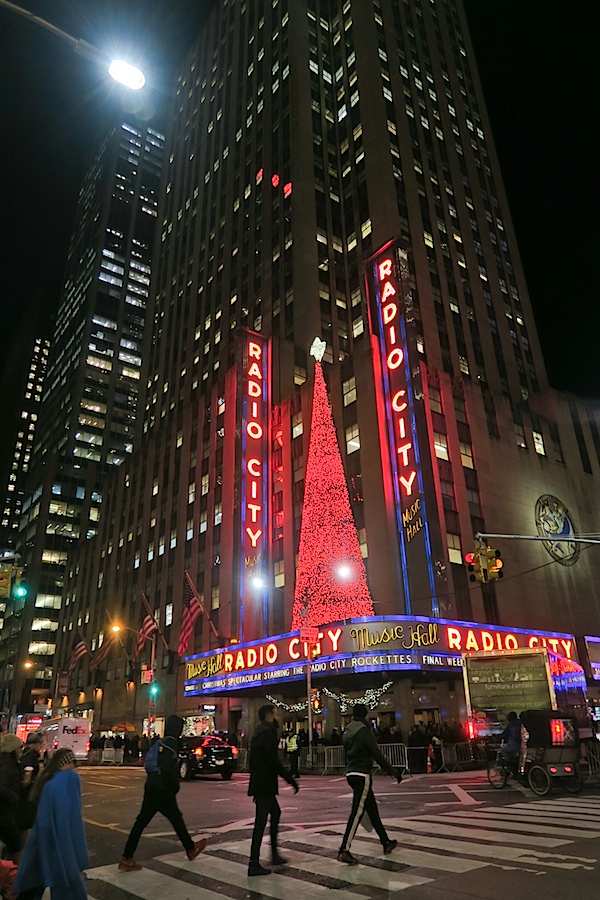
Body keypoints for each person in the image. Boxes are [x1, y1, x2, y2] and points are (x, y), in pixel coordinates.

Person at [119, 715, 206, 872]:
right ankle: (190, 848)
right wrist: (174, 786)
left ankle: (127, 857)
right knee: (174, 819)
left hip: (152, 785)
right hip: (163, 789)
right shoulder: (171, 743)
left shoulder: (163, 741)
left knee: (146, 821)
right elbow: (167, 768)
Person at [13, 747, 89, 899]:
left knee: (35, 879)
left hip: (41, 837)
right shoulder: (66, 780)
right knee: (57, 879)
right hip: (55, 839)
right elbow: (68, 818)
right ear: (67, 763)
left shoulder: (48, 781)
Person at [337, 704, 403, 866]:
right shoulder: (364, 731)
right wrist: (393, 771)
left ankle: (385, 841)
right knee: (357, 812)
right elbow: (376, 753)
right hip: (362, 774)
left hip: (351, 773)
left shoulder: (347, 732)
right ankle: (344, 850)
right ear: (365, 715)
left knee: (372, 809)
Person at [247, 704, 298, 877]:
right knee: (260, 822)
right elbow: (273, 761)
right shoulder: (268, 733)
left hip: (261, 782)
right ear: (269, 715)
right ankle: (253, 862)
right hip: (265, 784)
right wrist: (290, 779)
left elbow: (253, 760)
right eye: (276, 713)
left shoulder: (259, 732)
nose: (278, 717)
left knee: (275, 813)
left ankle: (274, 854)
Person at [0, 733, 23, 861]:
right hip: (4, 812)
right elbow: (2, 787)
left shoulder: (8, 763)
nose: (20, 750)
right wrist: (15, 798)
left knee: (11, 843)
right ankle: (13, 874)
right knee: (15, 843)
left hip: (5, 811)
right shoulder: (7, 765)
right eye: (19, 748)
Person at [17, 732, 44, 831]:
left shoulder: (29, 755)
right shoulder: (30, 756)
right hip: (27, 793)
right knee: (25, 821)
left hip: (27, 793)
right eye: (40, 743)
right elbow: (27, 775)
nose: (41, 746)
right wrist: (29, 780)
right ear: (35, 744)